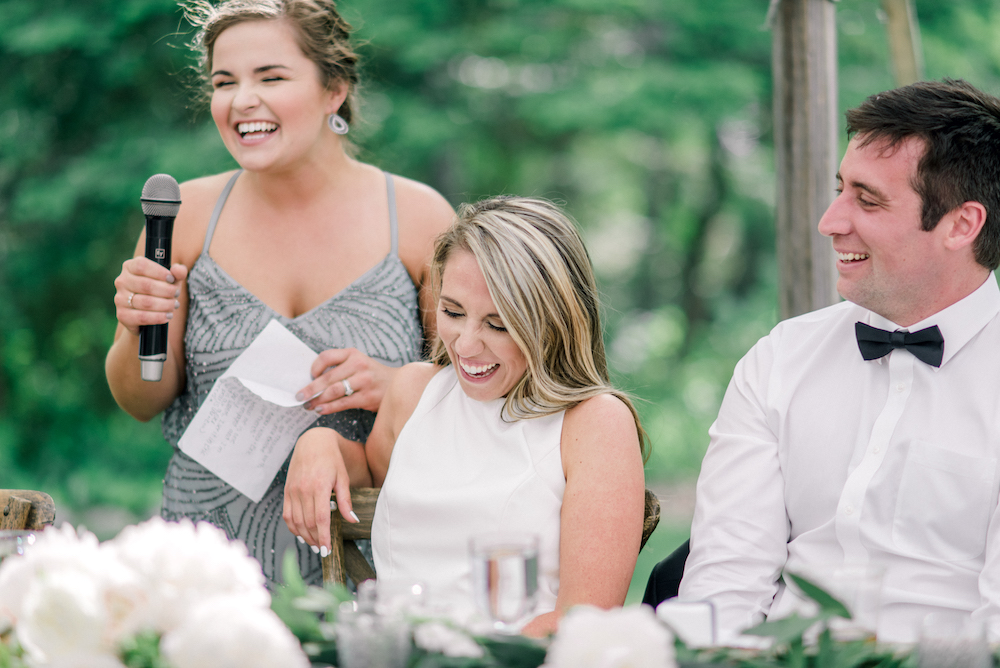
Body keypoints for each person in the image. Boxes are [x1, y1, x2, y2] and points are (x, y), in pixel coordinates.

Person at [105, 0, 454, 587]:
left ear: (333, 90)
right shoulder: (183, 217)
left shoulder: (419, 220)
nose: (242, 100)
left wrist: (399, 384)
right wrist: (139, 323)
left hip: (371, 566)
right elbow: (141, 400)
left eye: (270, 77)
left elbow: (481, 389)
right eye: (225, 82)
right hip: (209, 570)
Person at [672, 78, 1000, 643]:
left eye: (867, 200)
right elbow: (726, 581)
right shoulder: (780, 358)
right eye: (840, 189)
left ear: (962, 225)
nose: (830, 221)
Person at [285, 196, 648, 636]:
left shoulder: (594, 423)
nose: (465, 345)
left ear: (553, 321)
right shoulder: (415, 391)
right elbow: (369, 474)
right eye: (453, 312)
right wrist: (319, 442)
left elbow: (584, 621)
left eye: (498, 324)